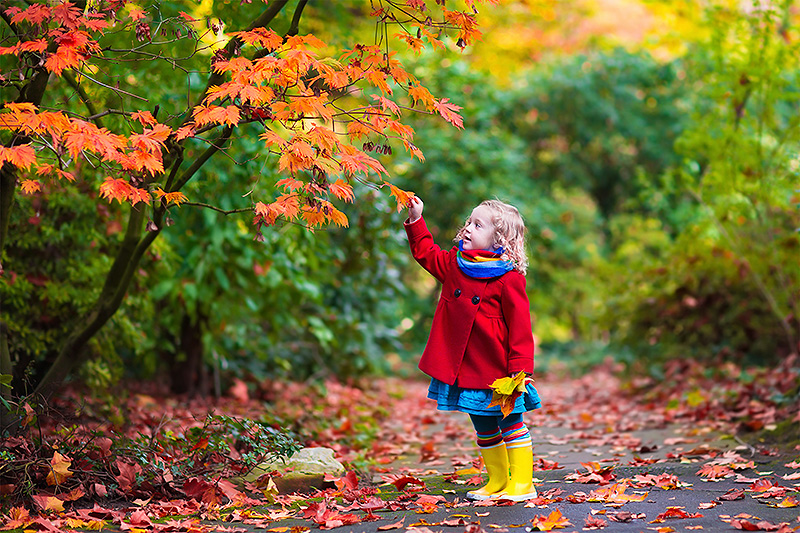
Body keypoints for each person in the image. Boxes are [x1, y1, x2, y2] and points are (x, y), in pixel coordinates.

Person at [404, 196, 541, 502]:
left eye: (477, 225)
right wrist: (416, 219)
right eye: (469, 221)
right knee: (481, 421)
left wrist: (520, 370)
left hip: (497, 369)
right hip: (465, 366)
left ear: (498, 240)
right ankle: (496, 480)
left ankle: (521, 482)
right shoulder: (455, 265)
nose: (467, 228)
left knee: (510, 421)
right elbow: (425, 252)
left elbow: (520, 328)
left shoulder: (508, 279)